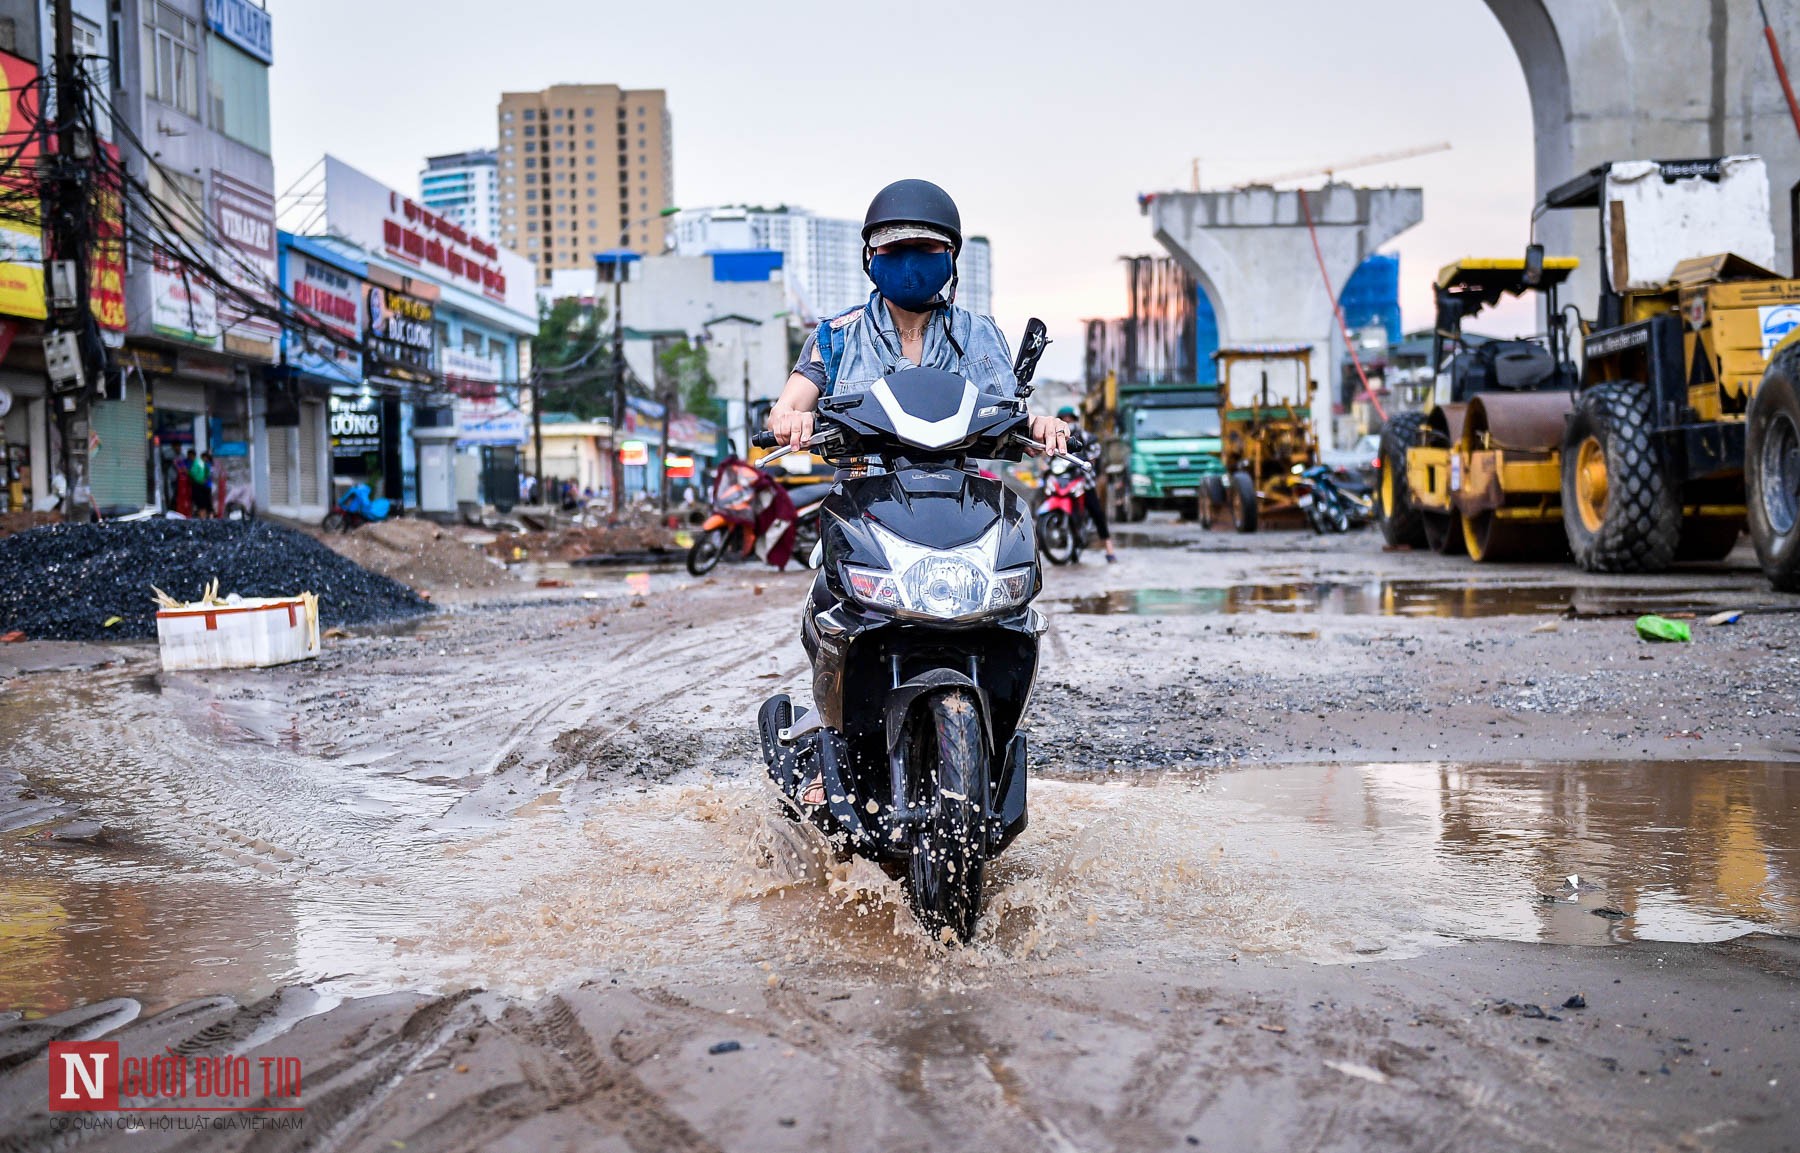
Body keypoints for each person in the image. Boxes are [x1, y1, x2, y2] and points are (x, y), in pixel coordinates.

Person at [765, 178, 1067, 456]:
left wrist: (1041, 425)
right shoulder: (836, 336)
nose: (908, 260)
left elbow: (1013, 415)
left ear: (950, 254)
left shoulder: (979, 333)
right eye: (894, 247)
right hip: (860, 493)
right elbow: (785, 408)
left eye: (924, 246)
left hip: (961, 496)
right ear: (871, 256)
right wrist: (790, 419)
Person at [1056, 405, 1116, 562]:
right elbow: (1047, 456)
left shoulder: (1086, 436)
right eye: (1064, 419)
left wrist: (1087, 461)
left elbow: (1095, 452)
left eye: (1070, 419)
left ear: (1075, 420)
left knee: (1096, 511)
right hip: (1062, 480)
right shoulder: (1054, 437)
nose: (1067, 422)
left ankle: (1109, 548)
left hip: (1083, 480)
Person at [189, 451, 213, 519]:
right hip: (199, 486)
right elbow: (192, 473)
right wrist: (201, 480)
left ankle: (205, 516)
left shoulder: (204, 464)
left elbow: (207, 474)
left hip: (204, 486)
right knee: (202, 503)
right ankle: (203, 517)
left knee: (205, 503)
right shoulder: (198, 463)